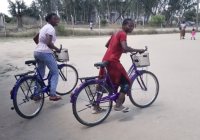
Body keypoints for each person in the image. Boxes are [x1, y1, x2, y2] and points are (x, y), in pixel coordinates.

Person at [96, 18, 144, 113]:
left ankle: (96, 106)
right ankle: (118, 105)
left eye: (133, 27)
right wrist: (138, 50)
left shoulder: (116, 33)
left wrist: (120, 49)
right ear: (124, 25)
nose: (131, 28)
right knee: (126, 82)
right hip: (113, 62)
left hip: (106, 59)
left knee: (103, 83)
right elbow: (125, 47)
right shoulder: (123, 34)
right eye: (129, 26)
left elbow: (107, 45)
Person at [33, 13, 61, 101]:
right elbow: (49, 43)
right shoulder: (51, 29)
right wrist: (57, 49)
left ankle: (36, 94)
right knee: (55, 72)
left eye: (57, 19)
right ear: (49, 20)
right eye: (54, 19)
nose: (57, 21)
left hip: (37, 52)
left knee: (40, 74)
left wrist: (41, 47)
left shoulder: (44, 27)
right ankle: (52, 94)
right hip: (45, 53)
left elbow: (35, 39)